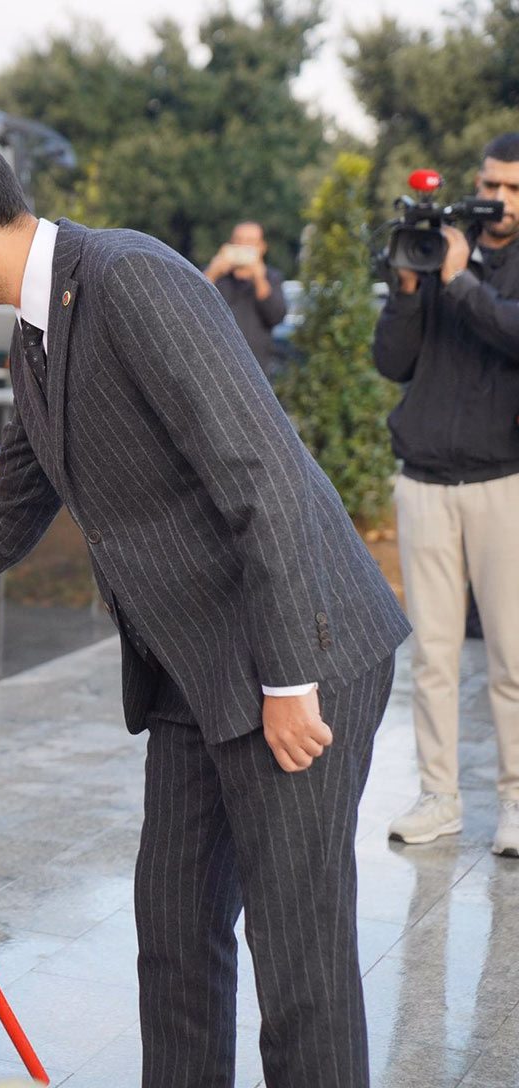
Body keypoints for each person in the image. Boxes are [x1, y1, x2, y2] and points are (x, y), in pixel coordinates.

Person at [0, 120, 410, 1088]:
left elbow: (260, 478)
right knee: (173, 935)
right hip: (196, 670)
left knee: (300, 964)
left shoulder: (129, 279)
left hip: (297, 651)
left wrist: (287, 677)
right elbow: (4, 519)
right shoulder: (33, 333)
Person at [374, 132, 519, 857]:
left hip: (504, 482)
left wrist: (461, 281)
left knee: (512, 656)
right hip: (426, 480)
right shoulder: (437, 247)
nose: (500, 200)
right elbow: (392, 361)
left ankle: (517, 800)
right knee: (432, 654)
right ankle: (440, 796)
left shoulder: (474, 265)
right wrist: (409, 285)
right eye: (494, 184)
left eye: (516, 190)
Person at [203, 221, 288, 375]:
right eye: (238, 241)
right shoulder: (214, 277)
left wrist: (259, 279)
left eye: (249, 242)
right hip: (214, 364)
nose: (243, 246)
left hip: (256, 368)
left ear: (262, 247)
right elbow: (192, 304)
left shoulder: (271, 278)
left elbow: (276, 316)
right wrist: (213, 272)